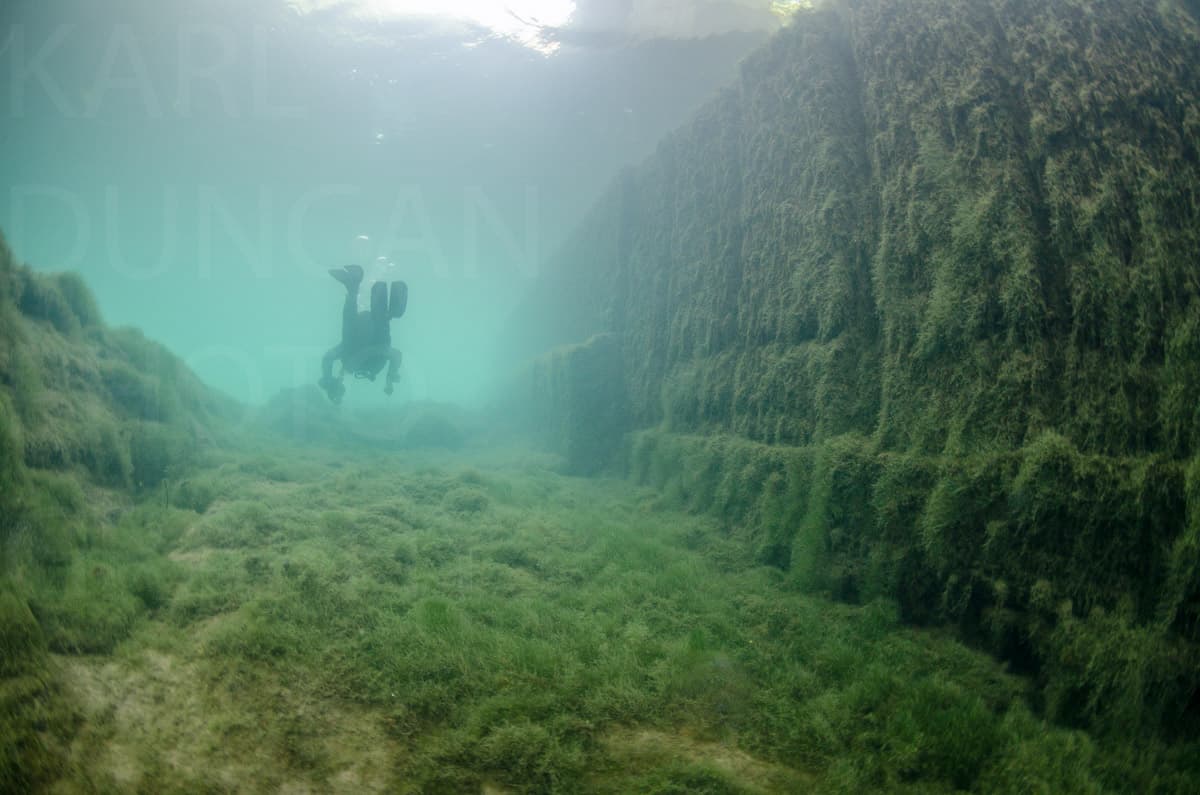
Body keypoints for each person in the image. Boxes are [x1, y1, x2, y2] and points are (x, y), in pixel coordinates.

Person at [318, 264, 408, 404]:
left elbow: (396, 355)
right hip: (368, 326)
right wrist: (390, 378)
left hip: (371, 325)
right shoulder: (352, 362)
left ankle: (353, 287)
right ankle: (353, 288)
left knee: (373, 328)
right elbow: (328, 357)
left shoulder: (359, 363)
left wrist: (390, 376)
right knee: (358, 331)